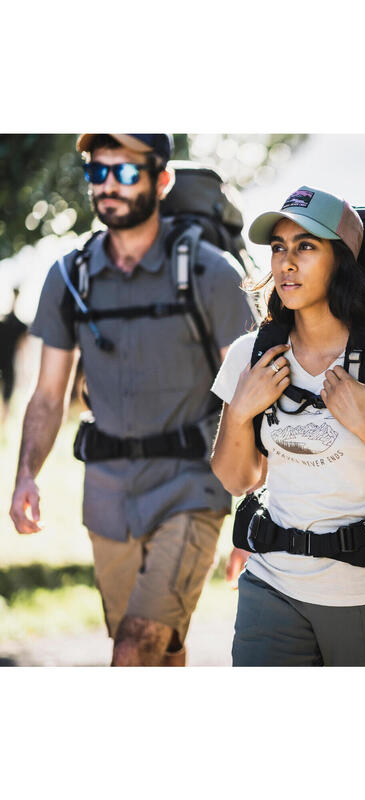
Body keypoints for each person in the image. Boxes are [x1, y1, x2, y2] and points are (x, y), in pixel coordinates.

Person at [9, 134, 254, 666]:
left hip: (192, 488)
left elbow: (251, 399)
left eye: (125, 173)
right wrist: (26, 474)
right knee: (156, 651)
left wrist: (255, 514)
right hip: (106, 497)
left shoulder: (212, 274)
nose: (108, 187)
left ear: (160, 181)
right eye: (98, 172)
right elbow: (49, 395)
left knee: (135, 648)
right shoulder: (68, 276)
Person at [210, 186, 365, 666]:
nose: (286, 262)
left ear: (342, 260)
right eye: (278, 247)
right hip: (271, 586)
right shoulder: (252, 356)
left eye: (306, 247)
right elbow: (237, 479)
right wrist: (241, 408)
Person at [0, 287, 28, 435]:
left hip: (9, 364)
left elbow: (22, 348)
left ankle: (3, 427)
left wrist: (23, 369)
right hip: (6, 363)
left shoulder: (18, 325)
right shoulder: (4, 322)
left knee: (6, 397)